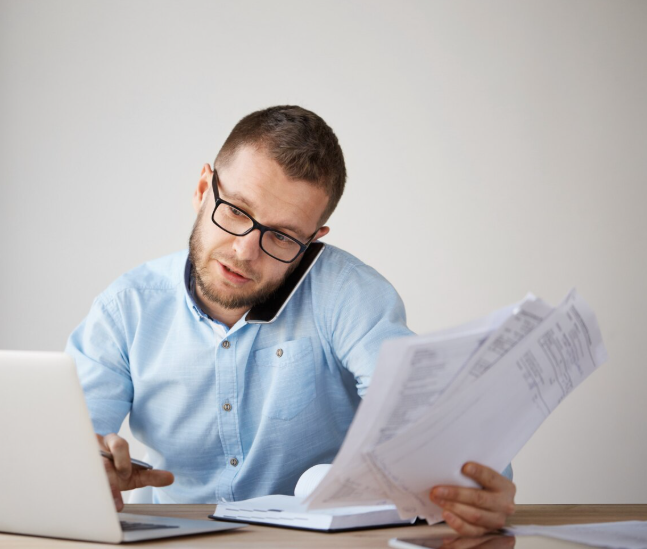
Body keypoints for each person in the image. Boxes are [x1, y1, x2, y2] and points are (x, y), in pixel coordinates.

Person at [66, 105, 516, 536]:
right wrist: (88, 471)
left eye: (281, 236)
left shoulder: (347, 294)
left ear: (313, 241)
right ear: (204, 189)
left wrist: (475, 484)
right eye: (237, 211)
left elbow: (430, 423)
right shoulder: (127, 308)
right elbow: (69, 443)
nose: (245, 251)